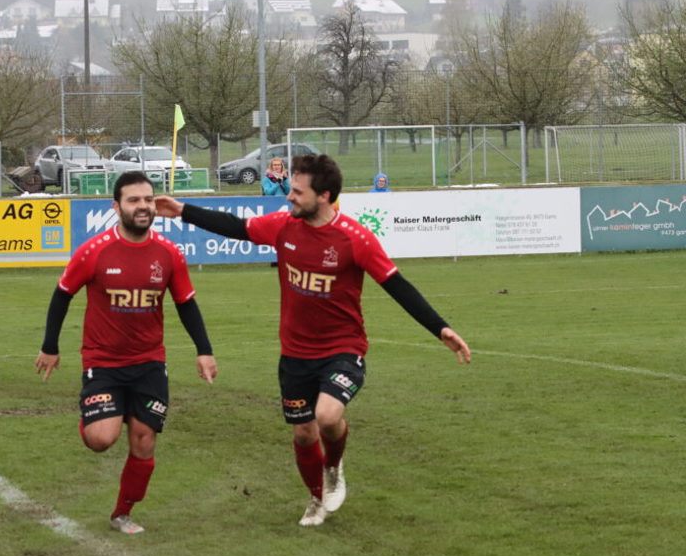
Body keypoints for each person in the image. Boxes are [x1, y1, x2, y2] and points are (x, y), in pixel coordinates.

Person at [155, 154, 470, 526]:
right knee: (305, 434)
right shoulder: (283, 226)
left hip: (343, 349)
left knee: (327, 416)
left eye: (298, 192)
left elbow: (397, 285)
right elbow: (237, 227)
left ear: (324, 196)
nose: (289, 197)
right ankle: (316, 499)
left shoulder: (354, 239)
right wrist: (183, 210)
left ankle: (333, 467)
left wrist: (440, 328)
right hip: (295, 353)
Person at [35, 170, 218, 535]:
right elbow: (62, 294)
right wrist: (50, 346)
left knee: (144, 440)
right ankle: (97, 416)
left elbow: (186, 303)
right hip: (103, 362)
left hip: (149, 363)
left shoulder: (169, 254)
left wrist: (204, 351)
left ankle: (122, 514)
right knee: (101, 440)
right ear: (116, 206)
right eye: (134, 200)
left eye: (148, 199)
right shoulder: (95, 251)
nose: (143, 206)